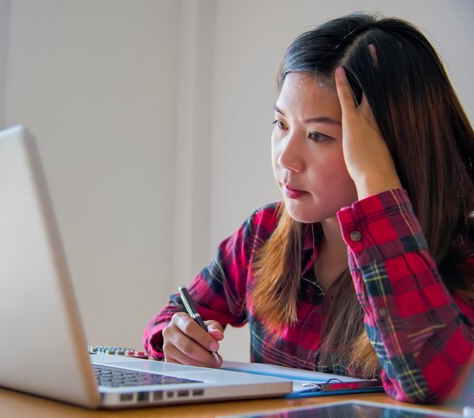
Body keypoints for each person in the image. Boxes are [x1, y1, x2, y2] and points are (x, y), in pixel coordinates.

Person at [143, 13, 474, 404]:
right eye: (281, 124)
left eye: (319, 135)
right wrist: (174, 338)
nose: (287, 159)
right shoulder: (262, 233)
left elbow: (430, 386)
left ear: (390, 146)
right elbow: (173, 316)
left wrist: (377, 187)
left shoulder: (461, 256)